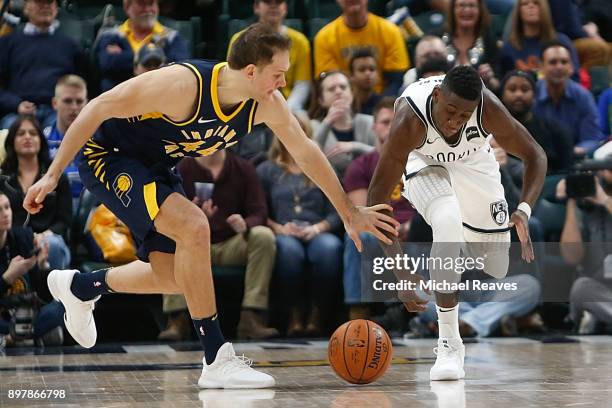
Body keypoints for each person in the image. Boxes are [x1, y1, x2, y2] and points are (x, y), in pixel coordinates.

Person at [23, 23, 398, 389]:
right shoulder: (182, 85)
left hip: (155, 165)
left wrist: (350, 213)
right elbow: (97, 107)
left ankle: (81, 287)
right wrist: (52, 175)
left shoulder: (265, 103)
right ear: (251, 71)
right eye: (279, 74)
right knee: (194, 224)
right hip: (109, 155)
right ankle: (217, 358)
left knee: (176, 276)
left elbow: (306, 152)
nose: (284, 84)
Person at [368, 65, 547, 380]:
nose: (454, 122)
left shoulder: (488, 109)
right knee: (447, 220)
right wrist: (401, 273)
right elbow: (376, 201)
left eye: (463, 115)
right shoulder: (410, 120)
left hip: (473, 160)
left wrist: (523, 210)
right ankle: (450, 343)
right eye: (449, 111)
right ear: (437, 95)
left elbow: (536, 155)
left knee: (496, 267)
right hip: (422, 161)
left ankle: (463, 245)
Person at [159, 149, 279, 341]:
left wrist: (245, 224)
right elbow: (167, 213)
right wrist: (194, 217)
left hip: (230, 243)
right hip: (194, 245)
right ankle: (177, 320)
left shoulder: (243, 168)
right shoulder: (183, 168)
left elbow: (259, 212)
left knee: (263, 236)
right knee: (170, 238)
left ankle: (252, 317)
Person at [257, 115, 343, 337]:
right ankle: (293, 315)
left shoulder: (322, 166)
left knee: (329, 249)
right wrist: (278, 228)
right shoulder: (267, 169)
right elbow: (259, 211)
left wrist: (317, 228)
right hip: (283, 230)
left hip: (317, 229)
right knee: (289, 252)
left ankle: (316, 314)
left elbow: (337, 211)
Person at [342, 97, 416, 320]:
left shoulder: (420, 162)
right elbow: (360, 213)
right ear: (374, 126)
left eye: (397, 121)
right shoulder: (361, 165)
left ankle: (426, 314)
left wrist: (412, 226)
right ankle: (358, 314)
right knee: (359, 236)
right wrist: (393, 228)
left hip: (416, 229)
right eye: (385, 122)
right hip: (380, 230)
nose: (392, 126)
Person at [0, 0, 85, 129]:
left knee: (66, 132)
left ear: (56, 8)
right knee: (11, 132)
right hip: (17, 112)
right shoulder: (7, 43)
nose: (45, 7)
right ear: (26, 7)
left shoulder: (71, 45)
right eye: (40, 2)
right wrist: (17, 104)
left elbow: (83, 83)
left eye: (50, 3)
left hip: (57, 112)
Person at [1, 116, 72, 271]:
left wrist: (46, 234)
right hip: (10, 240)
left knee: (51, 244)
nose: (27, 137)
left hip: (47, 239)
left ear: (41, 140)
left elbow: (65, 220)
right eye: (21, 134)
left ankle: (53, 294)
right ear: (12, 141)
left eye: (33, 133)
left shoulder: (56, 177)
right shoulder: (2, 179)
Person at [0, 191, 63, 347]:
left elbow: (38, 291)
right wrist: (8, 277)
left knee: (64, 304)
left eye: (7, 207)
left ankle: (12, 338)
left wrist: (41, 266)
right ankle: (28, 335)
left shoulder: (24, 236)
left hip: (27, 310)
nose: (5, 214)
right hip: (3, 314)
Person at [227, 0, 311, 112]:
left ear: (285, 7)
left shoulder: (300, 41)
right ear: (256, 7)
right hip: (248, 105)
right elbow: (234, 79)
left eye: (278, 1)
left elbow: (302, 85)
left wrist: (286, 109)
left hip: (289, 105)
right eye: (267, 1)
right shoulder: (240, 40)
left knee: (303, 123)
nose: (273, 6)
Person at [557, 164, 612, 333]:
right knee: (581, 287)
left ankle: (599, 317)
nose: (605, 172)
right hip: (600, 290)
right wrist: (571, 202)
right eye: (602, 168)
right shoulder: (587, 206)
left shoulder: (603, 199)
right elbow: (571, 257)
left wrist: (605, 201)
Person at [313, 0, 410, 96]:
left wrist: (382, 106)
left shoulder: (390, 31)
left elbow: (396, 80)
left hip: (383, 100)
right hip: (344, 100)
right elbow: (330, 82)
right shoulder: (324, 37)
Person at [95, 0, 189, 92]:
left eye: (151, 4)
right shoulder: (110, 35)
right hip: (119, 98)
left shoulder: (171, 36)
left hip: (160, 96)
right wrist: (156, 59)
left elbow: (179, 68)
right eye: (141, 4)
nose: (147, 9)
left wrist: (127, 58)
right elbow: (107, 65)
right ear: (127, 7)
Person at [534, 41, 605, 156]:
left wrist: (570, 154)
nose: (559, 67)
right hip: (537, 159)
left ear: (571, 67)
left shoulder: (583, 96)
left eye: (564, 62)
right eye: (553, 62)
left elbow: (591, 138)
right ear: (541, 66)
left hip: (574, 159)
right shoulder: (532, 95)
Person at [500, 70, 573, 174]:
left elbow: (567, 170)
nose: (519, 94)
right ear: (502, 95)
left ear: (534, 95)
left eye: (525, 89)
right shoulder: (491, 132)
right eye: (512, 89)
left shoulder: (554, 130)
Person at [308, 71, 376, 177]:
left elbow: (385, 155)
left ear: (352, 94)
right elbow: (310, 157)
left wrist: (355, 146)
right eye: (331, 89)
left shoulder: (369, 122)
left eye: (343, 87)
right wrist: (328, 121)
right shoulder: (313, 126)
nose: (338, 91)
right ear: (321, 100)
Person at [500, 0, 580, 77]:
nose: (530, 6)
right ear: (518, 11)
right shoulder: (509, 48)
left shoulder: (562, 42)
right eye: (525, 3)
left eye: (536, 3)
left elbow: (574, 76)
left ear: (544, 8)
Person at [439, 0, 501, 91]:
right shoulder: (438, 38)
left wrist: (490, 79)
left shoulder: (489, 41)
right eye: (461, 5)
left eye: (472, 5)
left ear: (480, 10)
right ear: (453, 10)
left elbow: (498, 85)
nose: (467, 10)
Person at [44, 75, 88, 200]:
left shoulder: (98, 140)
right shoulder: (42, 140)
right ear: (55, 103)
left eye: (79, 101)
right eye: (68, 101)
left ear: (87, 103)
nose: (74, 107)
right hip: (53, 206)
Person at [348, 48, 382, 116]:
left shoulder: (382, 105)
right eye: (362, 70)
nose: (367, 73)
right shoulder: (346, 104)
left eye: (372, 69)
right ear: (351, 76)